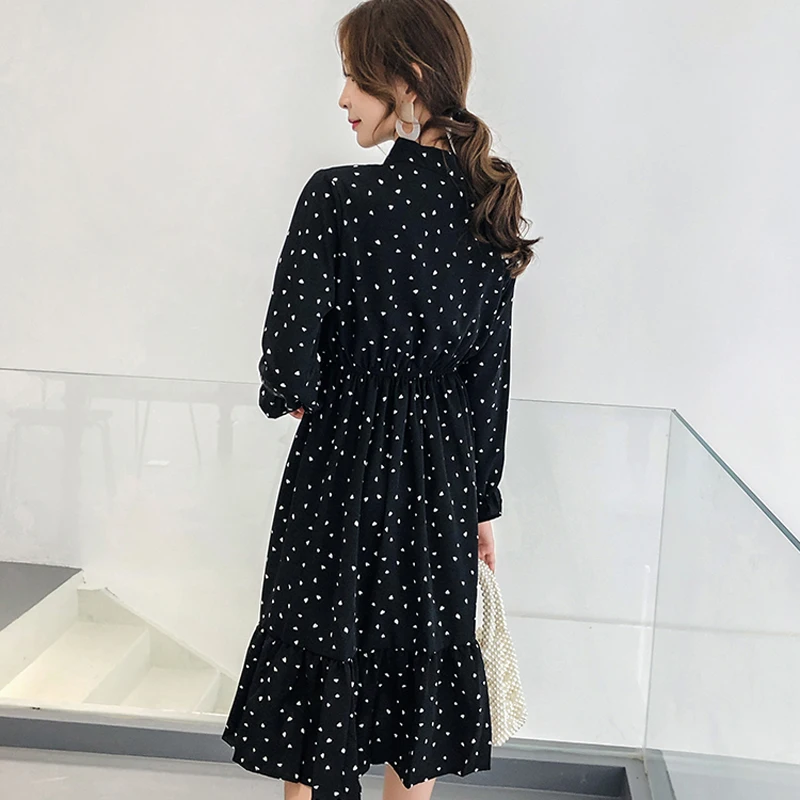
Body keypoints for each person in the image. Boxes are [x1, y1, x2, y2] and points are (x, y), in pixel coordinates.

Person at [221, 1, 539, 798]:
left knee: (316, 688)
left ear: (409, 81)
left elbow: (286, 370)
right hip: (442, 487)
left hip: (340, 474)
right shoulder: (487, 214)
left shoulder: (336, 198)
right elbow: (489, 387)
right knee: (418, 698)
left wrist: (316, 392)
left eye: (353, 79)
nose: (342, 98)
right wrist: (482, 506)